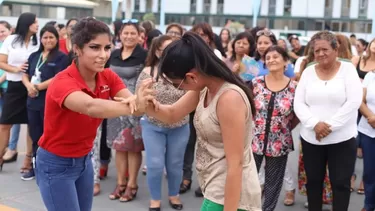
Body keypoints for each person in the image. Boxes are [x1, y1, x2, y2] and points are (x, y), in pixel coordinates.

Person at [123, 31, 262, 211]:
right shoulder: (205, 88)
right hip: (215, 188)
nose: (176, 88)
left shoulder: (229, 99)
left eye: (175, 84)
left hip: (229, 196)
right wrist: (143, 103)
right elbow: (172, 113)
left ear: (191, 76)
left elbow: (235, 164)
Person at [34, 17, 154, 211]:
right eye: (94, 47)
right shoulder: (62, 82)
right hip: (55, 164)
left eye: (107, 48)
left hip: (84, 161)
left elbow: (128, 99)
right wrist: (135, 105)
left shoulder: (108, 76)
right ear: (77, 48)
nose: (103, 55)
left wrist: (138, 100)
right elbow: (90, 106)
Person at [294, 31, 362, 211]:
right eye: (317, 51)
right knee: (313, 183)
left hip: (342, 139)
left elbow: (354, 101)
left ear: (335, 48)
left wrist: (328, 126)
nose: (321, 54)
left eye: (325, 49)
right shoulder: (308, 72)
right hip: (311, 138)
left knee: (340, 184)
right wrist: (314, 124)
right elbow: (299, 103)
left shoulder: (348, 70)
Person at [137, 35, 189, 210]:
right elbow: (139, 98)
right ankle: (155, 198)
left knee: (175, 164)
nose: (168, 53)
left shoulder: (186, 72)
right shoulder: (148, 72)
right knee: (155, 164)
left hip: (179, 125)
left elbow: (192, 96)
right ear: (157, 52)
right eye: (164, 50)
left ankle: (174, 195)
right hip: (153, 125)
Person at [251, 45, 299, 211]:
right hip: (254, 140)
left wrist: (283, 128)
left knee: (273, 183)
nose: (271, 60)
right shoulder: (256, 83)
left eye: (275, 56)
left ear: (286, 61)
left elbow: (297, 115)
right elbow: (248, 109)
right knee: (247, 179)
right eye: (268, 57)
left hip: (279, 142)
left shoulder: (294, 88)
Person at [21, 25, 69, 180]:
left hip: (50, 103)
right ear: (41, 39)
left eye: (51, 37)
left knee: (50, 136)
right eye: (45, 37)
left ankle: (51, 168)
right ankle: (36, 167)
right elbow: (25, 75)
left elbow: (58, 77)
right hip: (33, 102)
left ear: (57, 39)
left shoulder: (61, 57)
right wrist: (29, 86)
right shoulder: (34, 56)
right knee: (35, 136)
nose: (48, 40)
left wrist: (38, 86)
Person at [0, 12, 39, 173]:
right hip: (14, 87)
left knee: (31, 124)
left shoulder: (38, 43)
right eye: (35, 22)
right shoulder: (11, 40)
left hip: (33, 86)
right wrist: (15, 69)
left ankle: (28, 159)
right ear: (27, 23)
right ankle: (0, 156)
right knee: (5, 124)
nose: (37, 25)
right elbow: (1, 62)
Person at [0, 20, 21, 164]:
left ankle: (11, 148)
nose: (0, 34)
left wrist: (1, 80)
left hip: (9, 84)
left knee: (11, 120)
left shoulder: (13, 44)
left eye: (3, 31)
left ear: (10, 30)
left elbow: (12, 66)